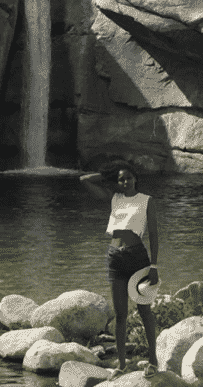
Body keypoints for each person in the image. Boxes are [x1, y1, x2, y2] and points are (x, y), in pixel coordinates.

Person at [80, 160, 159, 379]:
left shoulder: (146, 201)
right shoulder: (114, 198)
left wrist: (154, 266)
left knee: (144, 311)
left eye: (129, 177)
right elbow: (84, 180)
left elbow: (153, 235)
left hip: (138, 259)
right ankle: (121, 364)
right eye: (121, 179)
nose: (125, 182)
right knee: (121, 315)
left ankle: (153, 362)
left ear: (136, 179)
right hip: (115, 259)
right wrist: (109, 172)